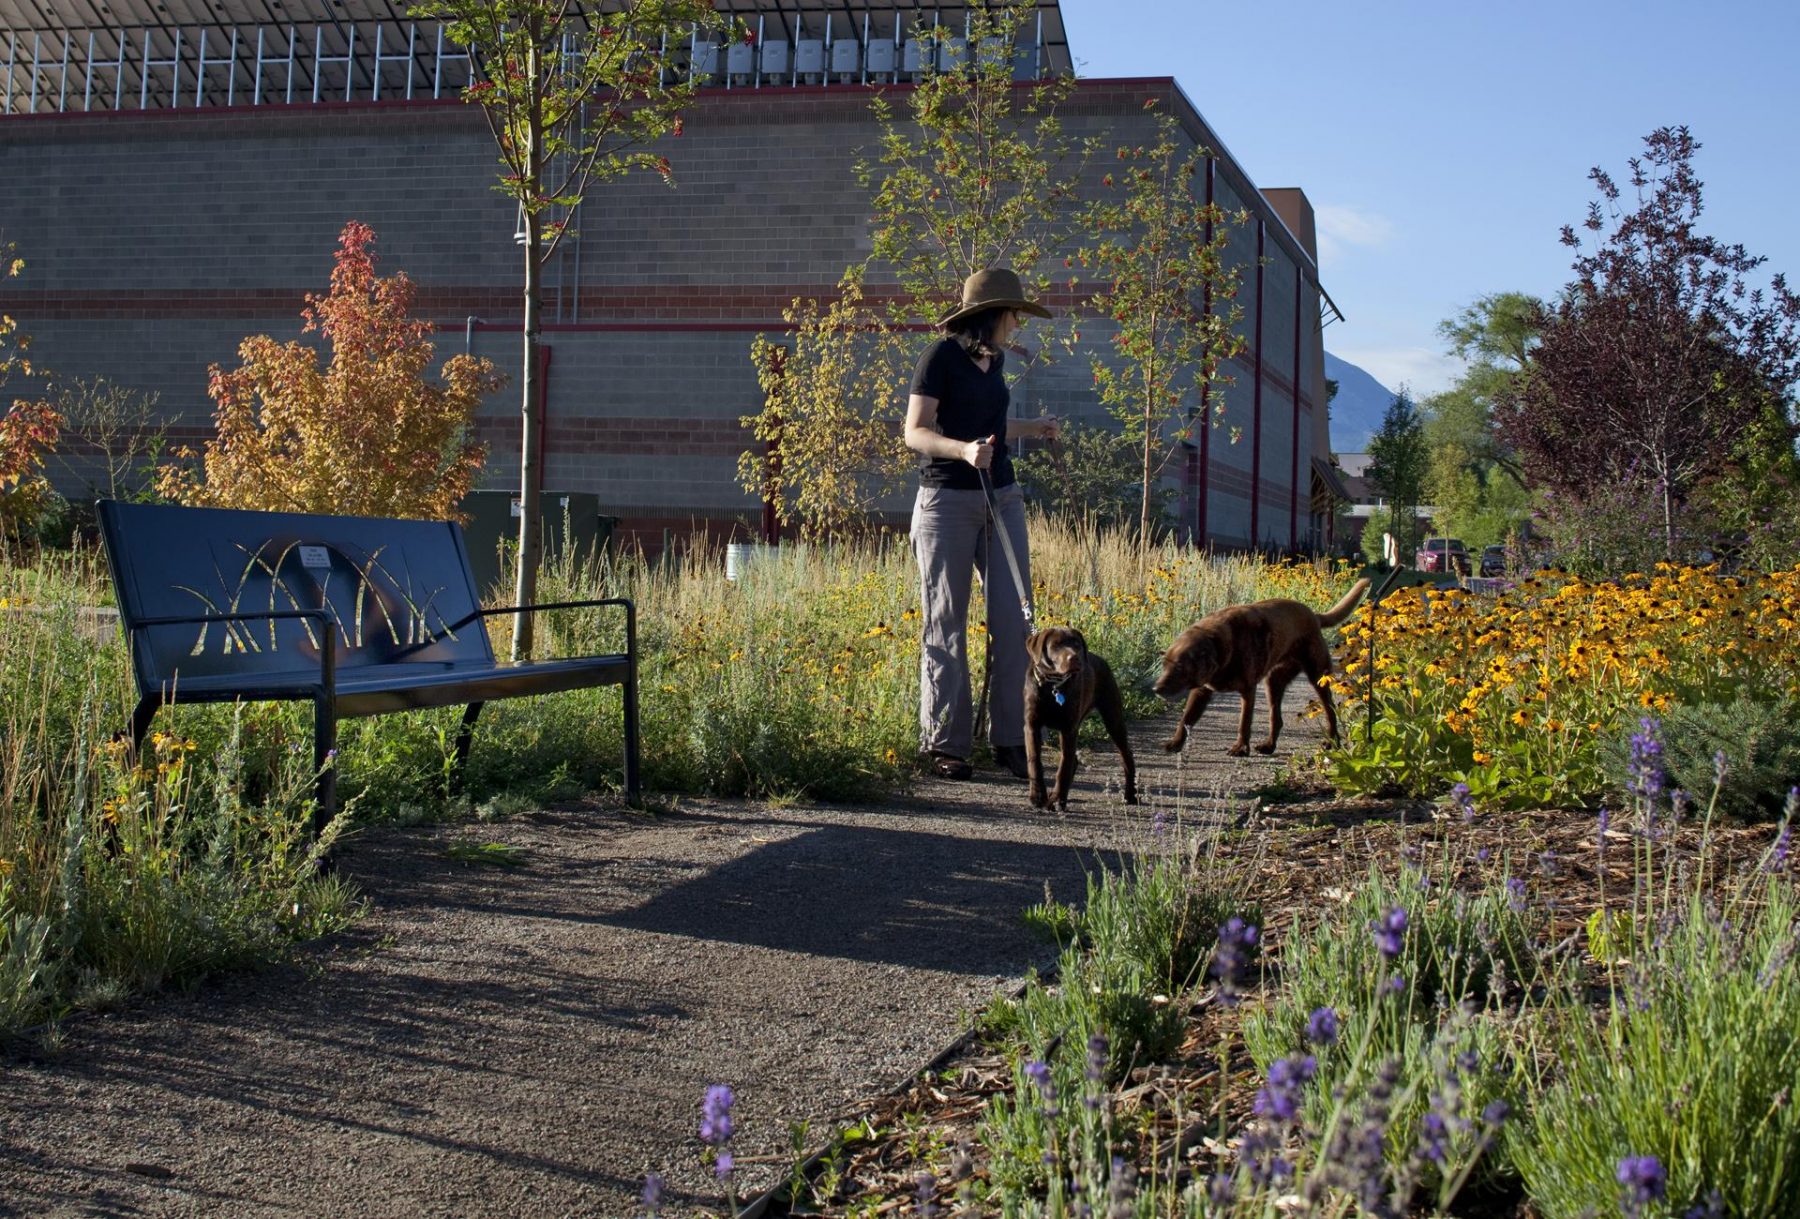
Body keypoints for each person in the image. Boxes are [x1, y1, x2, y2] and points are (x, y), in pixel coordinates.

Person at [904, 268, 1061, 781]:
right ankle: (945, 743)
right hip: (946, 501)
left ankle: (1013, 739)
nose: (1018, 323)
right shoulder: (940, 358)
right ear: (992, 314)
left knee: (1015, 621)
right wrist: (963, 451)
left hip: (1002, 496)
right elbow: (916, 433)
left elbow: (986, 427)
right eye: (1015, 314)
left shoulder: (994, 363)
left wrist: (1030, 427)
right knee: (946, 623)